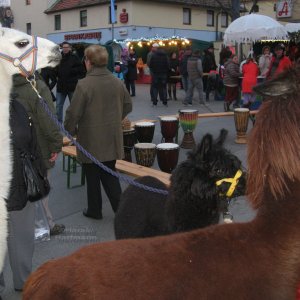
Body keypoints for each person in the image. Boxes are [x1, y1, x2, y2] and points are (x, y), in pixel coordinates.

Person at [64, 45, 132, 219]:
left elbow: (73, 113)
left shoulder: (84, 84)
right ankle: (122, 211)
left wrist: (69, 131)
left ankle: (95, 210)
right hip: (111, 137)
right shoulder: (117, 81)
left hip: (90, 139)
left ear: (89, 62)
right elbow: (128, 105)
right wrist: (115, 120)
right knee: (110, 174)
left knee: (92, 176)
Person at [0, 96, 48, 294]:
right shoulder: (17, 107)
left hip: (22, 185)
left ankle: (24, 282)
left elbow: (33, 145)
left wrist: (39, 173)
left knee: (23, 239)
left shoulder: (18, 106)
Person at [12, 73, 64, 236]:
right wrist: (56, 144)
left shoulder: (6, 85)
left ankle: (26, 227)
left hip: (13, 149)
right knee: (38, 186)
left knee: (19, 188)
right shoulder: (37, 87)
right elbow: (48, 121)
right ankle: (45, 225)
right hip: (36, 148)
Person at [56, 41, 85, 123]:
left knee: (74, 106)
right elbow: (54, 69)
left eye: (66, 47)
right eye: (63, 47)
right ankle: (59, 125)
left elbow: (81, 70)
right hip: (61, 86)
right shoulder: (59, 57)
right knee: (58, 106)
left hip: (72, 86)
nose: (65, 49)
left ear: (70, 48)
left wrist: (71, 71)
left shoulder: (74, 57)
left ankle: (74, 123)